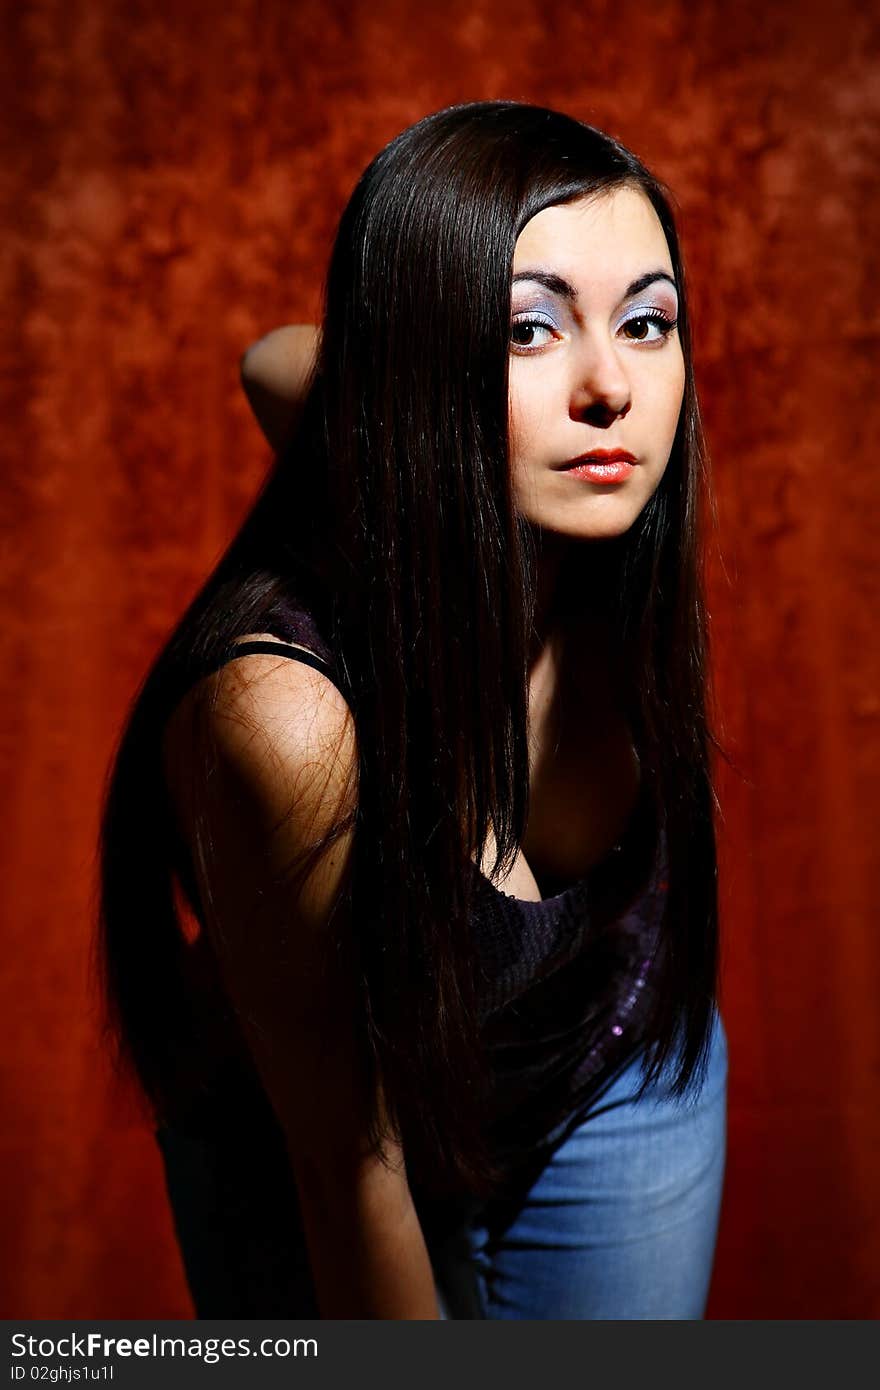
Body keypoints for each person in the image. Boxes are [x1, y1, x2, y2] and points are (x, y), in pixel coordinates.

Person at [97, 100, 728, 1320]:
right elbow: (352, 1175)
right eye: (528, 330)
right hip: (323, 1136)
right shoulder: (283, 720)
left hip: (608, 1059)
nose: (614, 387)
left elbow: (273, 359)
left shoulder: (582, 510)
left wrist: (490, 363)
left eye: (648, 321)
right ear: (414, 368)